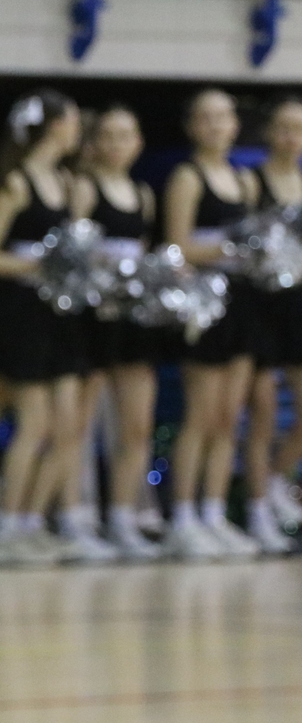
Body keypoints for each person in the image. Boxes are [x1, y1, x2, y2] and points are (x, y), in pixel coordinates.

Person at [0, 90, 90, 565]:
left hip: (62, 314)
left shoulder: (68, 182)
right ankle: (5, 530)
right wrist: (39, 263)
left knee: (69, 428)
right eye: (73, 120)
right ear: (56, 126)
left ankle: (32, 523)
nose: (78, 130)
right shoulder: (17, 183)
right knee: (34, 425)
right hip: (26, 315)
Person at [160, 89, 260, 560]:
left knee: (228, 417)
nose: (216, 125)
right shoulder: (187, 177)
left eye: (223, 117)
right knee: (200, 415)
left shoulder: (244, 180)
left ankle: (214, 513)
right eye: (206, 117)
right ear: (191, 126)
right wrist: (230, 249)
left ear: (235, 124)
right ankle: (183, 517)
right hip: (204, 303)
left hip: (241, 302)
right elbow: (177, 246)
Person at [68, 106, 163, 560]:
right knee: (81, 425)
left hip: (133, 318)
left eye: (125, 135)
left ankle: (125, 517)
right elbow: (73, 250)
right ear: (95, 142)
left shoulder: (143, 194)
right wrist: (106, 267)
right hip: (95, 318)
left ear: (138, 143)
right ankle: (78, 517)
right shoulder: (85, 188)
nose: (116, 144)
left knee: (137, 425)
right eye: (108, 135)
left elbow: (144, 251)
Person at [242, 97, 302, 554]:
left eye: (298, 129)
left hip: (298, 305)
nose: (290, 138)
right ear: (268, 132)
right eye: (283, 128)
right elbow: (239, 241)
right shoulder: (251, 181)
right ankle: (257, 510)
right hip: (260, 306)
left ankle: (277, 480)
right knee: (262, 414)